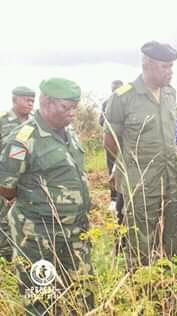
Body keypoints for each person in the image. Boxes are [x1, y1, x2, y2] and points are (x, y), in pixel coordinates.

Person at [0, 78, 94, 314]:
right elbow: (6, 185)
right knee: (42, 299)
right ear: (46, 102)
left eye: (75, 107)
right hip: (38, 236)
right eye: (66, 107)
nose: (72, 113)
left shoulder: (68, 134)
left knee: (83, 296)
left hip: (75, 234)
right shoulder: (23, 139)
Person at [104, 41, 177, 269]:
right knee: (141, 237)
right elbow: (111, 141)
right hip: (141, 182)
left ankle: (168, 286)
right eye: (165, 67)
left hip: (170, 178)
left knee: (170, 232)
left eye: (171, 67)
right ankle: (142, 290)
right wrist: (126, 169)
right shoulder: (122, 97)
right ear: (147, 65)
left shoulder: (169, 93)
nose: (170, 72)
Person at [0, 86, 35, 261]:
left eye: (33, 100)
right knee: (5, 221)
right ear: (14, 100)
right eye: (27, 100)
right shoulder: (2, 121)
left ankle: (25, 256)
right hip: (5, 182)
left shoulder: (36, 123)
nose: (31, 103)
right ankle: (6, 260)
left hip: (29, 183)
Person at [99, 80, 123, 209]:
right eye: (113, 89)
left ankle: (123, 196)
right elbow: (101, 121)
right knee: (112, 168)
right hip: (112, 141)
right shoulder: (106, 103)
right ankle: (114, 198)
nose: (115, 92)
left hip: (125, 142)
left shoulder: (127, 102)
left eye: (118, 89)